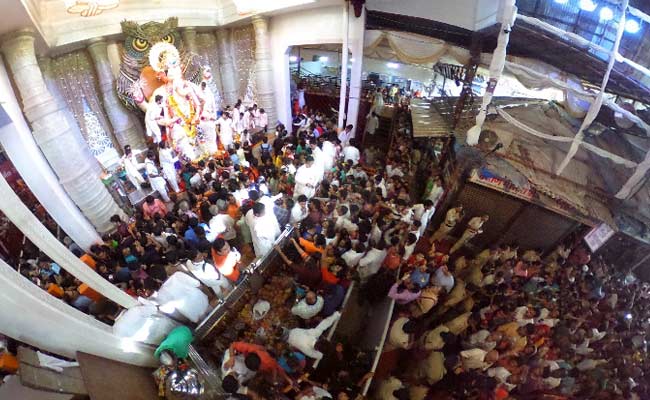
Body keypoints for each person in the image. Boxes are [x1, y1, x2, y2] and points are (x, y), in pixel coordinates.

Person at [199, 81, 218, 154]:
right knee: (203, 139)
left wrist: (213, 117)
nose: (203, 87)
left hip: (209, 120)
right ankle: (207, 153)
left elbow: (214, 107)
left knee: (211, 137)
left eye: (204, 86)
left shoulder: (210, 95)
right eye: (202, 86)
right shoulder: (198, 94)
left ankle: (213, 152)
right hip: (201, 121)